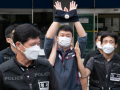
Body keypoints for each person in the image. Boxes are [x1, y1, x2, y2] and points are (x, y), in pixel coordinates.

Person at [0, 24, 61, 90]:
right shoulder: (4, 69)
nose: (36, 48)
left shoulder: (45, 66)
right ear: (18, 45)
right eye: (32, 44)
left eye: (38, 44)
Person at [44, 1, 87, 90]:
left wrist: (74, 17)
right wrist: (57, 17)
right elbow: (48, 37)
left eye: (68, 36)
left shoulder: (76, 51)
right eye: (62, 35)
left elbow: (83, 37)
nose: (65, 37)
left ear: (72, 39)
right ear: (57, 38)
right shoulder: (52, 52)